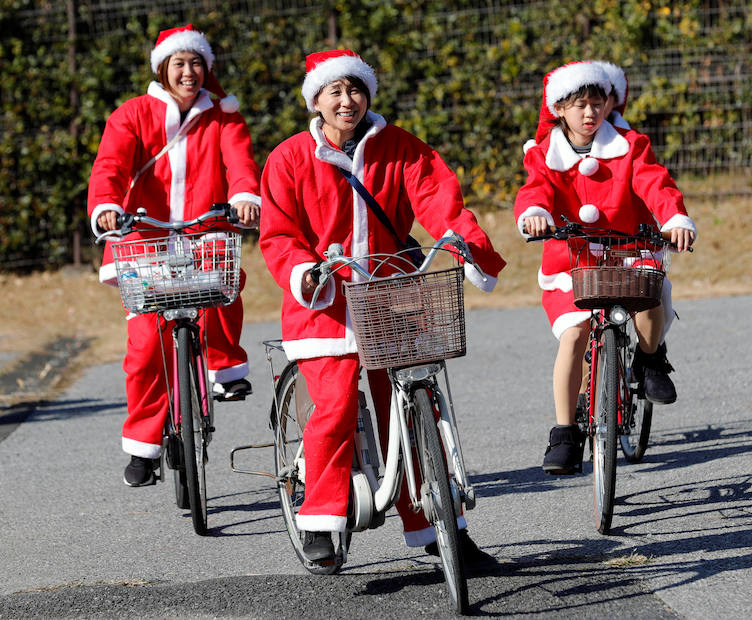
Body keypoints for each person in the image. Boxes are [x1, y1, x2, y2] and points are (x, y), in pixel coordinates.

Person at [259, 49, 506, 569]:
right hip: (324, 303)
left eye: (355, 89)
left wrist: (465, 246)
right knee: (334, 407)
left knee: (418, 414)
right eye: (336, 92)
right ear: (317, 101)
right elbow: (279, 234)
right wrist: (304, 271)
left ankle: (445, 534)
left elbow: (440, 200)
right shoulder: (288, 158)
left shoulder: (400, 146)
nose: (347, 100)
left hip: (392, 295)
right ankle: (320, 521)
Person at [87, 24, 261, 487]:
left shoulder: (223, 117)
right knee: (146, 346)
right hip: (144, 238)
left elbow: (239, 163)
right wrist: (107, 208)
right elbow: (111, 166)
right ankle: (143, 447)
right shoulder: (132, 114)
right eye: (179, 63)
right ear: (162, 68)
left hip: (204, 231)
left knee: (226, 285)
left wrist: (245, 194)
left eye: (197, 62)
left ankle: (225, 368)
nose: (189, 71)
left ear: (207, 68)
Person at [514, 60, 696, 475]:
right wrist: (535, 213)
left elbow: (656, 183)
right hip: (572, 260)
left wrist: (673, 219)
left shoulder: (631, 145)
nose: (590, 112)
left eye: (597, 103)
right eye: (579, 105)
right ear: (558, 108)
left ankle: (649, 360)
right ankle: (564, 432)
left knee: (652, 296)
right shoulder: (545, 154)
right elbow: (534, 190)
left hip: (627, 249)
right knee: (575, 333)